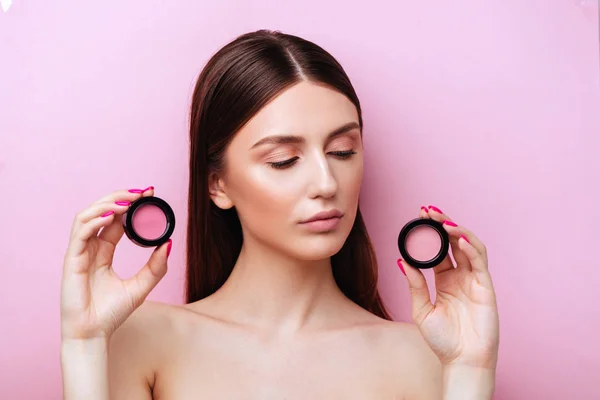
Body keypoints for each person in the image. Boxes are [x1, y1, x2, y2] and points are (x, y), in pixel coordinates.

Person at [60, 29, 499, 399]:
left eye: (343, 151)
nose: (327, 183)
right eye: (284, 160)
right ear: (218, 184)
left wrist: (470, 370)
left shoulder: (426, 356)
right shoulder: (141, 339)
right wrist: (82, 345)